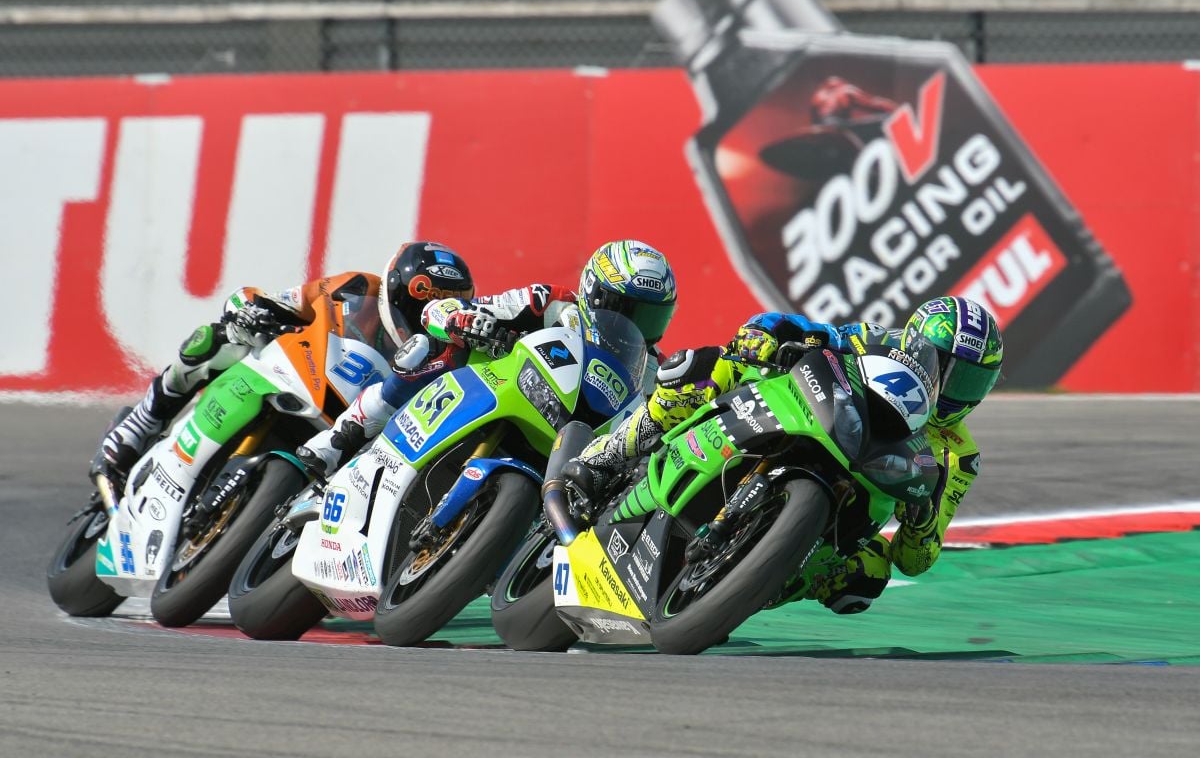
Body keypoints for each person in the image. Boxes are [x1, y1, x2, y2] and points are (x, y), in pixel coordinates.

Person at [561, 295, 1004, 615]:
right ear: (913, 344)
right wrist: (765, 334)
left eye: (971, 382)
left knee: (867, 575)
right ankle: (608, 455)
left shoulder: (959, 456)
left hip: (862, 490)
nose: (953, 392)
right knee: (713, 369)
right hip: (820, 421)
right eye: (946, 370)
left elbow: (917, 559)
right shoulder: (876, 341)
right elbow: (807, 329)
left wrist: (923, 519)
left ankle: (743, 586)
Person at [91, 241, 476, 482]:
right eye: (417, 303)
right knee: (217, 340)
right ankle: (145, 419)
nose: (421, 316)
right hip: (303, 377)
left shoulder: (447, 353)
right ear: (394, 290)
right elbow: (271, 300)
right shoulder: (353, 286)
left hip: (352, 429)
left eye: (436, 307)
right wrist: (250, 309)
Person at [293, 239, 678, 477]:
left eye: (649, 316)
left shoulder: (651, 371)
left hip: (566, 443)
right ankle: (338, 441)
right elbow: (444, 311)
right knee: (429, 349)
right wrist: (465, 319)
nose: (632, 324)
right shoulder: (550, 302)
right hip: (490, 390)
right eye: (624, 308)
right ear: (594, 293)